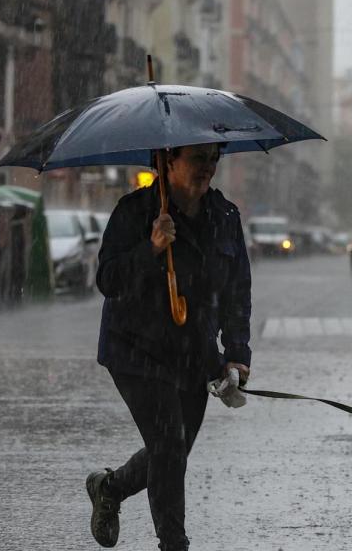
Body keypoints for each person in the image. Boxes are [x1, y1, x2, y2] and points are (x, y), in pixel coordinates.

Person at [86, 142, 251, 551]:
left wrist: (236, 354)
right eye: (197, 157)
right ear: (166, 160)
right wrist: (152, 248)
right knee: (169, 445)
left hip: (194, 353)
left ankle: (109, 487)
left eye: (214, 158)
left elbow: (236, 290)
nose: (208, 167)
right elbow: (108, 280)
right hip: (135, 349)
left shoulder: (225, 217)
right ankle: (174, 545)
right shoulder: (135, 211)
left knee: (173, 451)